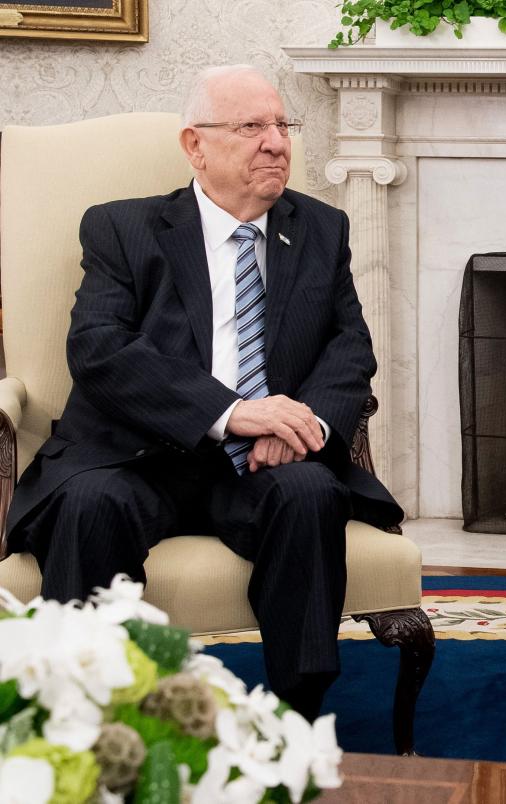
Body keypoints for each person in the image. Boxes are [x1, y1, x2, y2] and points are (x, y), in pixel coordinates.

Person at [4, 65, 403, 720]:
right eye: (253, 127)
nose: (277, 142)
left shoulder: (320, 230)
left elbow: (349, 348)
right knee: (90, 505)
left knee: (311, 494)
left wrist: (300, 425)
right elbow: (100, 349)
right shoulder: (123, 230)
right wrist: (236, 413)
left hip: (267, 464)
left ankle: (296, 716)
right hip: (139, 455)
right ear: (197, 146)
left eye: (282, 125)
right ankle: (89, 718)